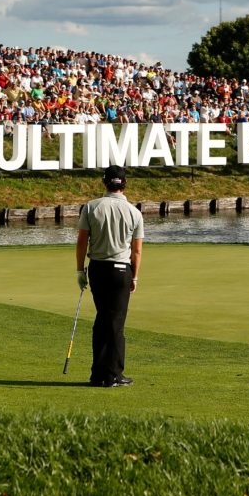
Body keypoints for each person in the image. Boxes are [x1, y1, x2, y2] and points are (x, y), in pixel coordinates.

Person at [75, 165, 144, 388]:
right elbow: (137, 251)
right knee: (115, 323)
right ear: (124, 184)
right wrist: (135, 277)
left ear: (105, 183)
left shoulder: (91, 207)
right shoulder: (134, 212)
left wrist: (79, 270)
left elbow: (82, 242)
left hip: (97, 269)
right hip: (121, 270)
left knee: (103, 319)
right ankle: (113, 374)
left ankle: (98, 373)